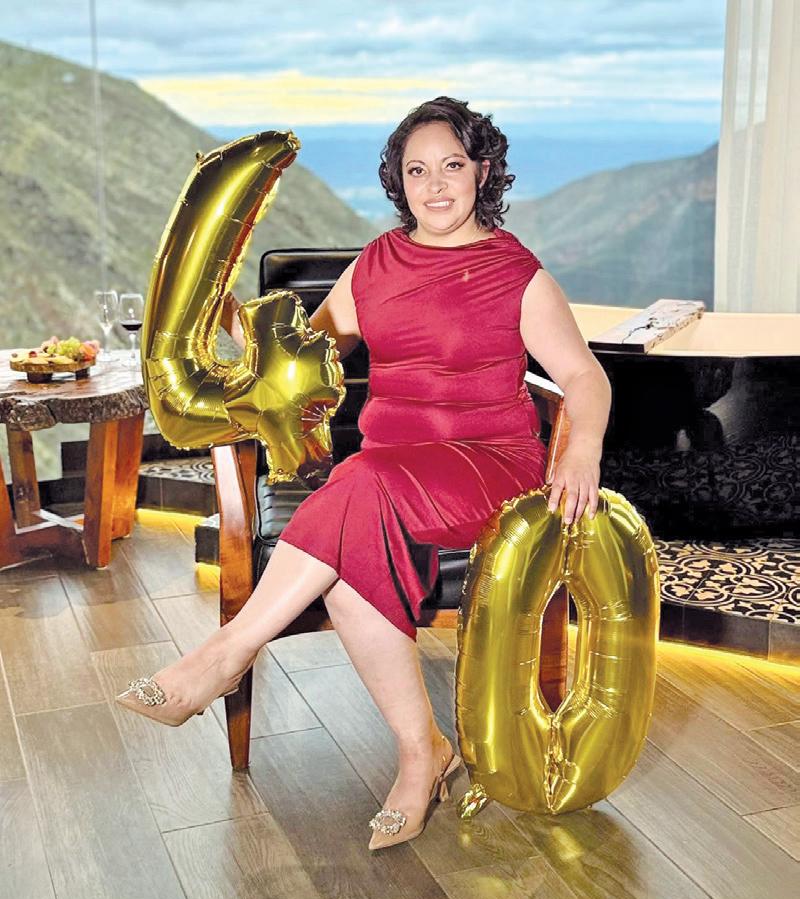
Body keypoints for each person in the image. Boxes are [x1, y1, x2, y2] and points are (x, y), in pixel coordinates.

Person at [116, 96, 612, 851]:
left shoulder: (516, 274)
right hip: (388, 469)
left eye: (452, 166)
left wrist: (581, 450)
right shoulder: (377, 262)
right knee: (351, 563)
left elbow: (584, 377)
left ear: (482, 171)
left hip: (486, 464)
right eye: (417, 170)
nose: (435, 186)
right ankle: (423, 754)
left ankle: (224, 654)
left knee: (358, 486)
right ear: (398, 181)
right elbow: (307, 355)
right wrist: (224, 320)